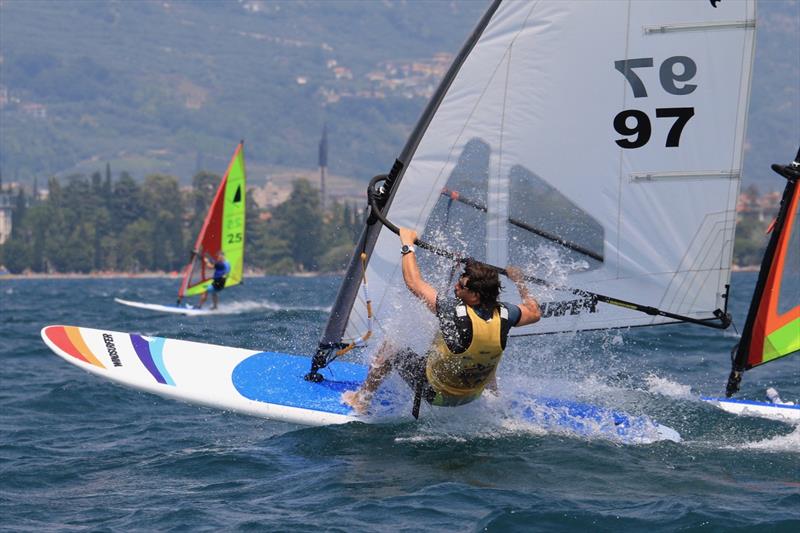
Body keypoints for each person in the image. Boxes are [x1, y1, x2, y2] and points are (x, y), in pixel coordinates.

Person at [341, 227, 542, 416]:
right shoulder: (505, 313)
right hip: (472, 396)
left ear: (475, 294)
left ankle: (361, 399)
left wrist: (407, 243)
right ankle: (494, 398)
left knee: (390, 345)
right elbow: (534, 312)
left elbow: (414, 283)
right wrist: (519, 281)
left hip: (436, 395)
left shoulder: (453, 312)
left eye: (461, 286)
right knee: (487, 343)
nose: (456, 287)